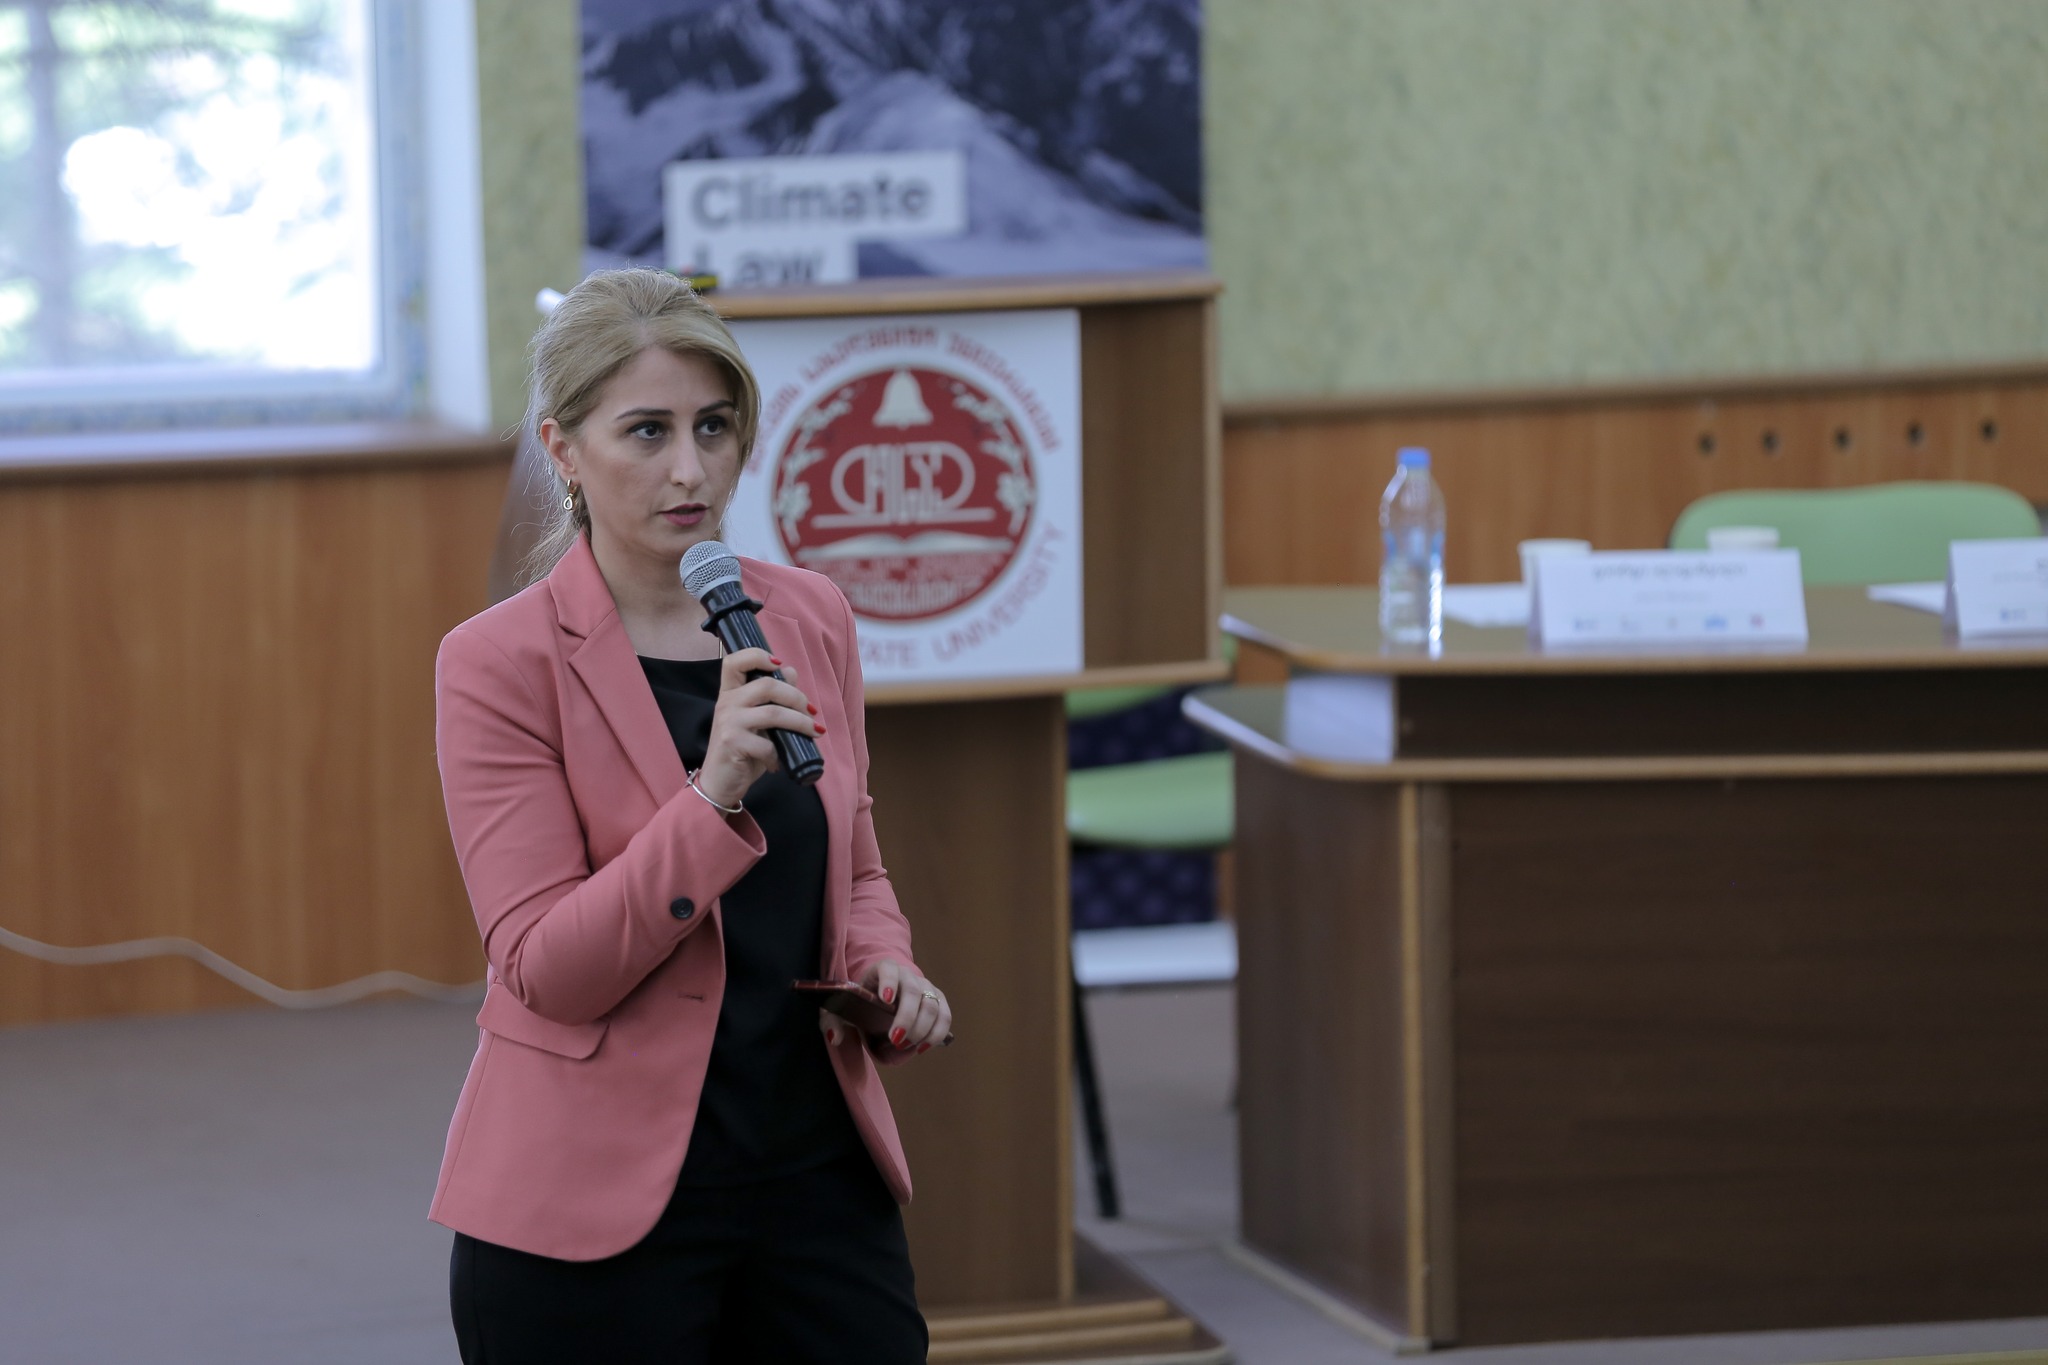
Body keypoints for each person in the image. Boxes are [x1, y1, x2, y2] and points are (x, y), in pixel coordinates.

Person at [430, 268, 951, 1363]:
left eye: (714, 426)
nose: (690, 468)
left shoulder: (808, 614)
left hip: (811, 1171)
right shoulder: (498, 663)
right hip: (590, 1197)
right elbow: (547, 969)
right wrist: (709, 797)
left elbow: (854, 863)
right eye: (647, 431)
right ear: (563, 450)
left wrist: (885, 964)